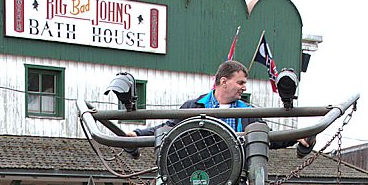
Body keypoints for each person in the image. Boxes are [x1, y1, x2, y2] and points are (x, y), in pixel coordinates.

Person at [127, 60, 313, 151]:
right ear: (224, 81)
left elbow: (268, 137)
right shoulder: (194, 107)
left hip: (236, 179)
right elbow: (167, 128)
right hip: (194, 174)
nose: (244, 87)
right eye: (240, 83)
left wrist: (296, 136)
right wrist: (137, 135)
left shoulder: (248, 113)